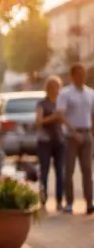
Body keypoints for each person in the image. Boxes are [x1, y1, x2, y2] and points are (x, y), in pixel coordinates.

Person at [56, 63, 94, 215]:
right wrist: (73, 132)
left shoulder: (90, 93)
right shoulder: (65, 93)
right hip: (71, 135)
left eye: (83, 74)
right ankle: (69, 202)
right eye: (78, 74)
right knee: (69, 170)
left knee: (87, 169)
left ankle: (89, 202)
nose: (81, 77)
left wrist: (90, 132)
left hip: (86, 133)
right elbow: (61, 115)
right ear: (72, 76)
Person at [36, 76, 65, 211]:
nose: (54, 89)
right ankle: (43, 199)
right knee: (44, 170)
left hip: (60, 140)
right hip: (45, 141)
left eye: (56, 87)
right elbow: (39, 121)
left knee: (60, 171)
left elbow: (66, 119)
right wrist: (53, 117)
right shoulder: (42, 104)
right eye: (52, 87)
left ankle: (59, 200)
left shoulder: (61, 103)